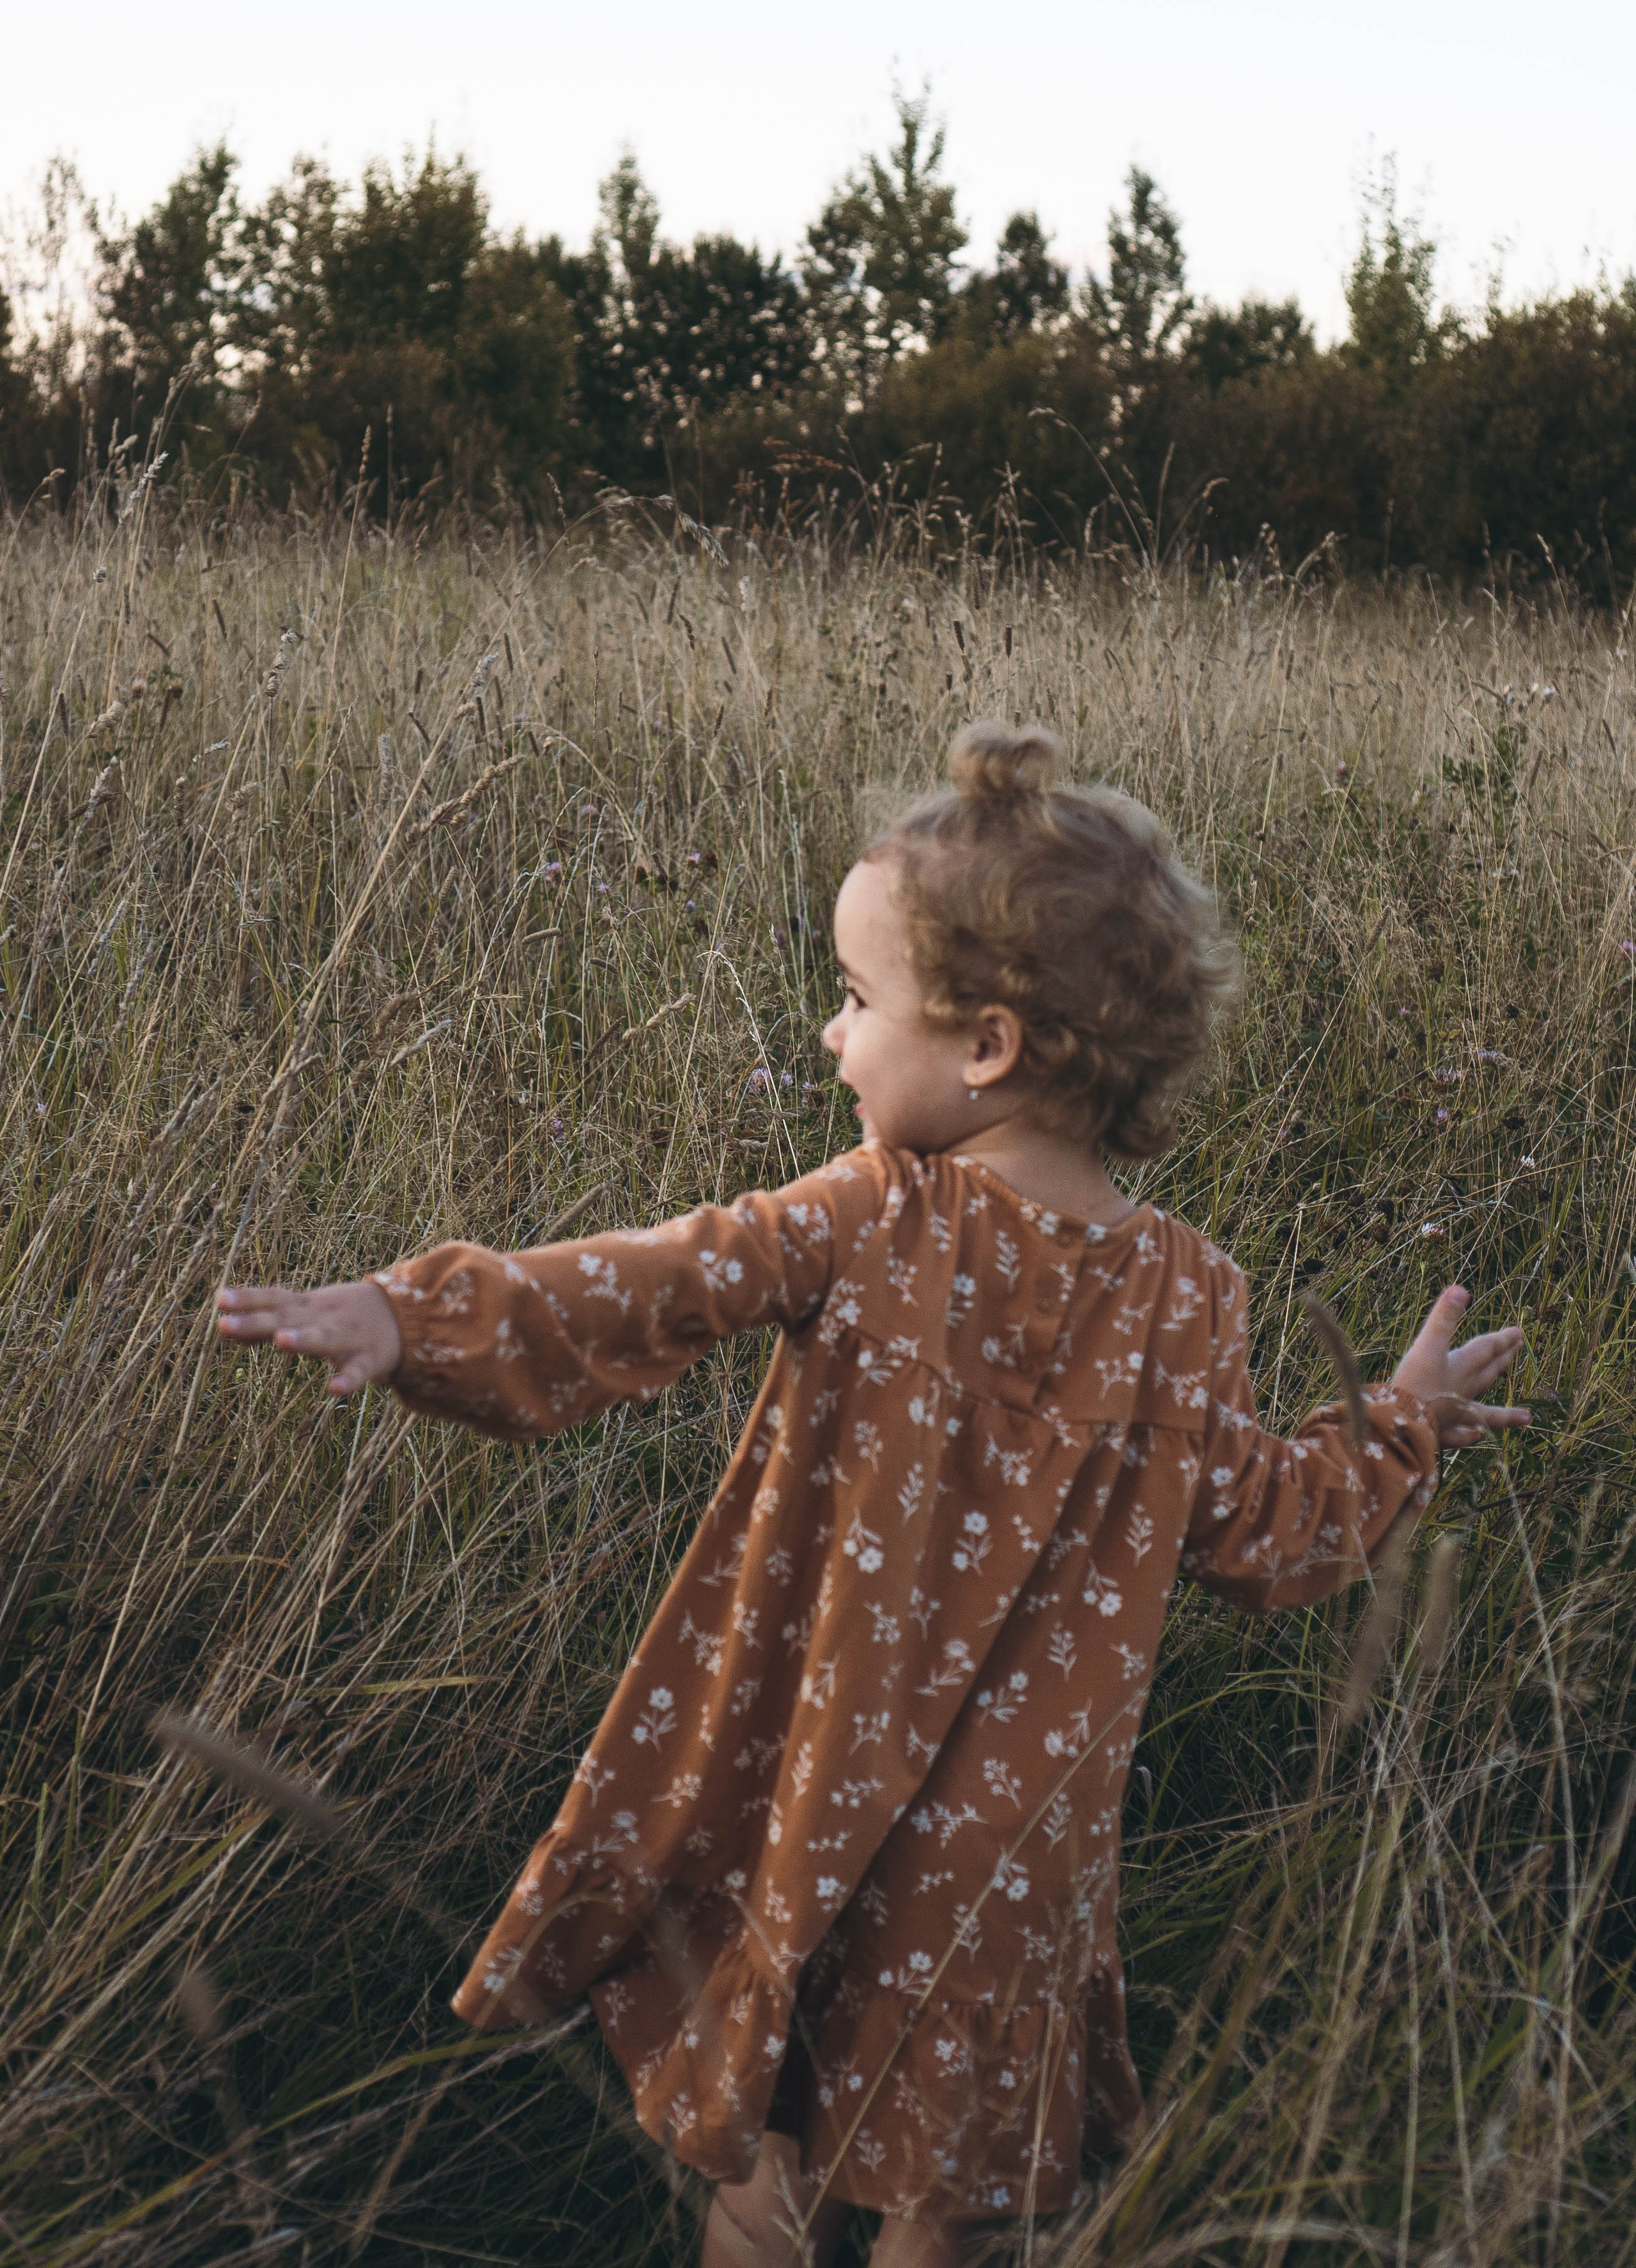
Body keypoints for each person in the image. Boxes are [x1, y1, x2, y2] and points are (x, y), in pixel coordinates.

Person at [217, 722, 1528, 2267]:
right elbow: (1270, 1529)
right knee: (943, 2196)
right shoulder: (1188, 1296)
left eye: (854, 1003)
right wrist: (1396, 1427)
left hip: (806, 1795)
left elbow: (656, 1279)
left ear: (982, 1045)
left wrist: (416, 1314)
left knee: (763, 2169)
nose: (833, 1042)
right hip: (1013, 1873)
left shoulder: (875, 1215)